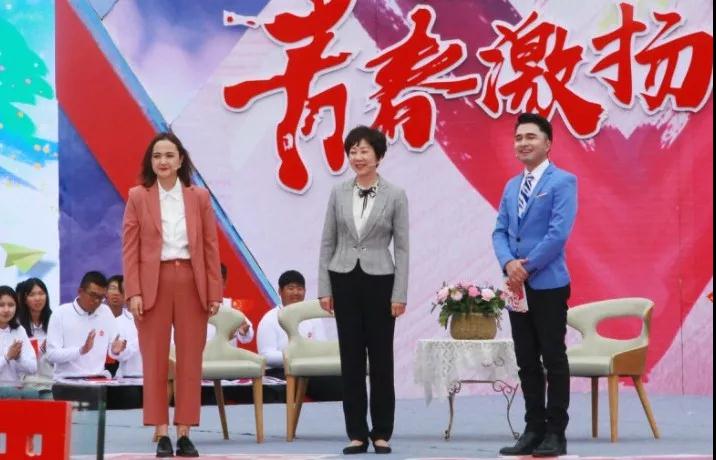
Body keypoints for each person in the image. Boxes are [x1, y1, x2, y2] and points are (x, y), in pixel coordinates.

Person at [122, 131, 222, 458]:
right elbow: (130, 249)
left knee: (191, 361)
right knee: (154, 360)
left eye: (169, 155)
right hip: (154, 283)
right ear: (150, 162)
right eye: (157, 156)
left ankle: (185, 432)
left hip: (192, 281)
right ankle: (161, 432)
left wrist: (214, 291)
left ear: (180, 160)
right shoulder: (138, 196)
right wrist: (134, 291)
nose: (163, 161)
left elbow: (210, 247)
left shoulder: (199, 197)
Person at [318, 125, 409, 455]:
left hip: (380, 280)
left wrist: (399, 293)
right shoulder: (338, 192)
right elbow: (328, 242)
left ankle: (381, 432)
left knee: (381, 359)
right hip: (344, 278)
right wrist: (324, 288)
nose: (358, 157)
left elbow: (403, 249)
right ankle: (356, 432)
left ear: (378, 156)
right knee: (351, 358)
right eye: (353, 151)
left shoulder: (395, 194)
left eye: (364, 151)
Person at [492, 113, 578, 457]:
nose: (523, 143)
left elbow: (558, 234)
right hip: (516, 288)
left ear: (548, 143)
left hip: (548, 283)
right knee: (526, 359)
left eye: (531, 137)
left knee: (553, 357)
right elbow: (499, 231)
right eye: (518, 138)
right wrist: (508, 263)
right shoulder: (511, 186)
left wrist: (525, 268)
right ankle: (533, 429)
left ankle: (556, 432)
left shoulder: (563, 181)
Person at [256, 270, 341, 400]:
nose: (296, 292)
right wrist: (296, 356)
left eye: (300, 288)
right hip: (279, 371)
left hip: (310, 370)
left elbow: (322, 348)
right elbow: (266, 356)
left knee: (337, 383)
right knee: (277, 392)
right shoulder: (269, 319)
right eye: (291, 288)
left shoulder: (313, 317)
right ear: (280, 291)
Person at [45, 271, 127, 379]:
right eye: (93, 295)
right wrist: (81, 350)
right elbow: (51, 355)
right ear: (80, 291)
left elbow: (114, 350)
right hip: (67, 380)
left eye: (101, 297)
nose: (97, 301)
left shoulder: (105, 312)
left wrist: (115, 351)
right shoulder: (60, 313)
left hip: (97, 379)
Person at [0, 285, 37, 388]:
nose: (6, 310)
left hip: (14, 391)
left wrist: (19, 358)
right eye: (1, 305)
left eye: (11, 305)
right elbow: (8, 356)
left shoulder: (19, 330)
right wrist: (7, 357)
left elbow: (33, 368)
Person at [207, 263, 254, 345]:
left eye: (217, 281)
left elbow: (247, 337)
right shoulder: (192, 308)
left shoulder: (232, 307)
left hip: (226, 354)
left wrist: (244, 332)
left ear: (224, 283)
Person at [16, 278, 53, 378]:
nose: (37, 298)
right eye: (32, 295)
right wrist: (42, 350)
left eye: (41, 293)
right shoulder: (17, 325)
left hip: (51, 379)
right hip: (24, 381)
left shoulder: (55, 321)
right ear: (24, 299)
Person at [106, 275, 142, 378]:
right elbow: (119, 355)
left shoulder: (162, 320)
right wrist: (116, 352)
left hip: (159, 380)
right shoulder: (118, 322)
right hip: (129, 379)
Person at [104, 275, 126, 376]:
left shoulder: (132, 319)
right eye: (112, 288)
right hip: (99, 368)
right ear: (105, 293)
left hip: (123, 368)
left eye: (120, 289)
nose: (116, 293)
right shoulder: (96, 317)